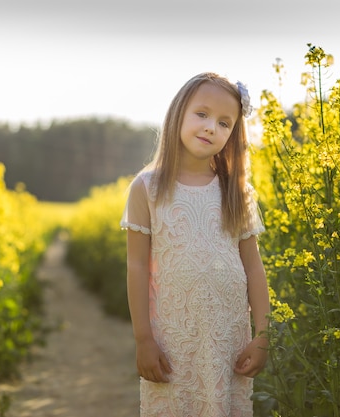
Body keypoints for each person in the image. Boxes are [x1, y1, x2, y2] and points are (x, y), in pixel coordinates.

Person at [121, 72, 270, 416]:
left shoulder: (237, 192)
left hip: (227, 338)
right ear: (178, 114)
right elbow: (137, 266)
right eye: (201, 115)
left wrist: (262, 336)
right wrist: (144, 339)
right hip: (173, 339)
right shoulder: (147, 188)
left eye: (224, 123)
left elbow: (253, 267)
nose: (210, 128)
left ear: (233, 134)